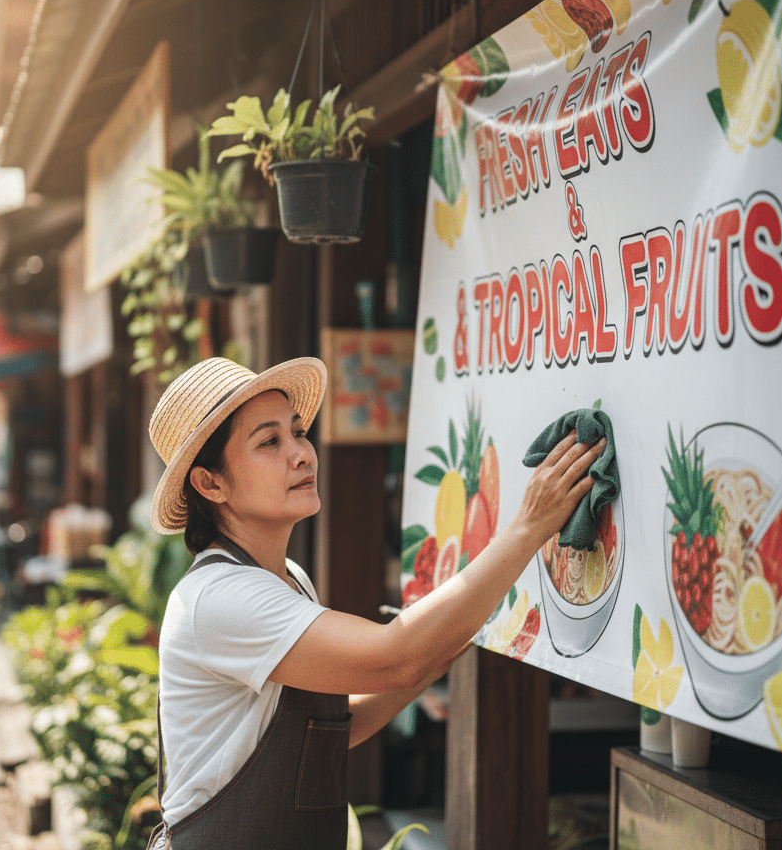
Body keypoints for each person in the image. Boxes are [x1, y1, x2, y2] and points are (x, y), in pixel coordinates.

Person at [148, 357, 604, 850]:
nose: (301, 454)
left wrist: (440, 648)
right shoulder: (220, 599)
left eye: (298, 433)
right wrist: (528, 527)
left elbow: (328, 735)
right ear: (210, 484)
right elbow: (392, 657)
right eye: (269, 442)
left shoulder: (288, 580)